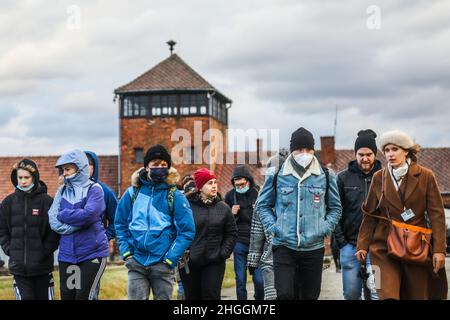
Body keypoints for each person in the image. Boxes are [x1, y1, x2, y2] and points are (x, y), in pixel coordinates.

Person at [356, 130, 448, 300]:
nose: (390, 154)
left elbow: (437, 215)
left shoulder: (426, 176)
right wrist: (362, 245)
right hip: (383, 247)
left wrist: (439, 250)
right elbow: (369, 215)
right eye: (387, 150)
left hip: (417, 245)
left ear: (406, 150)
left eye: (395, 149)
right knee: (387, 294)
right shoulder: (379, 177)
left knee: (417, 295)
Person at [257, 127, 342, 300]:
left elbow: (336, 208)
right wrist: (274, 227)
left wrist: (324, 228)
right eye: (299, 150)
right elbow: (262, 206)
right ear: (291, 150)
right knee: (285, 294)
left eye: (308, 149)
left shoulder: (326, 175)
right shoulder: (276, 174)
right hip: (284, 246)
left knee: (310, 296)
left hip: (313, 247)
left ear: (313, 150)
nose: (304, 153)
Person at [115, 144, 195, 300]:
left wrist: (170, 259)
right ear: (146, 167)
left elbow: (187, 231)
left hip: (162, 263)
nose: (160, 167)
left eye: (164, 164)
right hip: (136, 262)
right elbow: (120, 223)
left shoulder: (175, 195)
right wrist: (126, 253)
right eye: (155, 164)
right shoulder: (132, 193)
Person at [48, 149, 109, 300]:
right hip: (68, 256)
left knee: (84, 297)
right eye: (63, 170)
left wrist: (64, 214)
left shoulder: (95, 189)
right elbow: (53, 220)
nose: (65, 173)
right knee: (69, 297)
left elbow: (88, 216)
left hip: (92, 255)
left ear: (80, 167)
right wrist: (75, 224)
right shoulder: (61, 191)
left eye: (68, 169)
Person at [0, 159, 60, 300]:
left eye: (26, 177)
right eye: (20, 177)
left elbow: (54, 233)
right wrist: (11, 250)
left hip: (42, 269)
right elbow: (2, 230)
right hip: (19, 270)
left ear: (34, 177)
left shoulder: (47, 201)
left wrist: (43, 252)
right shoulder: (8, 203)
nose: (23, 181)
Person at [333, 129, 382, 300]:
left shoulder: (384, 177)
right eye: (361, 154)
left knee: (377, 292)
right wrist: (342, 243)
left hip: (378, 248)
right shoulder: (343, 179)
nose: (365, 158)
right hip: (350, 247)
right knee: (352, 294)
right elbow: (335, 210)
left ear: (375, 154)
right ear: (355, 154)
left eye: (369, 154)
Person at [180, 168, 238, 300]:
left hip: (214, 261)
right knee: (192, 297)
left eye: (215, 182)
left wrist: (223, 253)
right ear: (200, 187)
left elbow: (232, 233)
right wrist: (183, 252)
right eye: (209, 183)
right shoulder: (186, 206)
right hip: (190, 262)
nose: (214, 186)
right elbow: (178, 230)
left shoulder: (223, 208)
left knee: (211, 296)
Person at [224, 165, 264, 300]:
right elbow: (223, 220)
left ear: (249, 181)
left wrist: (258, 210)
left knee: (259, 281)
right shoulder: (230, 196)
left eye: (242, 184)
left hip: (257, 243)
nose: (240, 187)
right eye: (237, 185)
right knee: (240, 280)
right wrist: (231, 213)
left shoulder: (259, 193)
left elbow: (268, 214)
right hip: (239, 243)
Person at [84, 151, 119, 299]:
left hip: (94, 250)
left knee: (90, 292)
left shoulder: (105, 192)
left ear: (94, 167)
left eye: (88, 165)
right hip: (72, 251)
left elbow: (116, 220)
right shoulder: (68, 191)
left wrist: (104, 237)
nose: (84, 168)